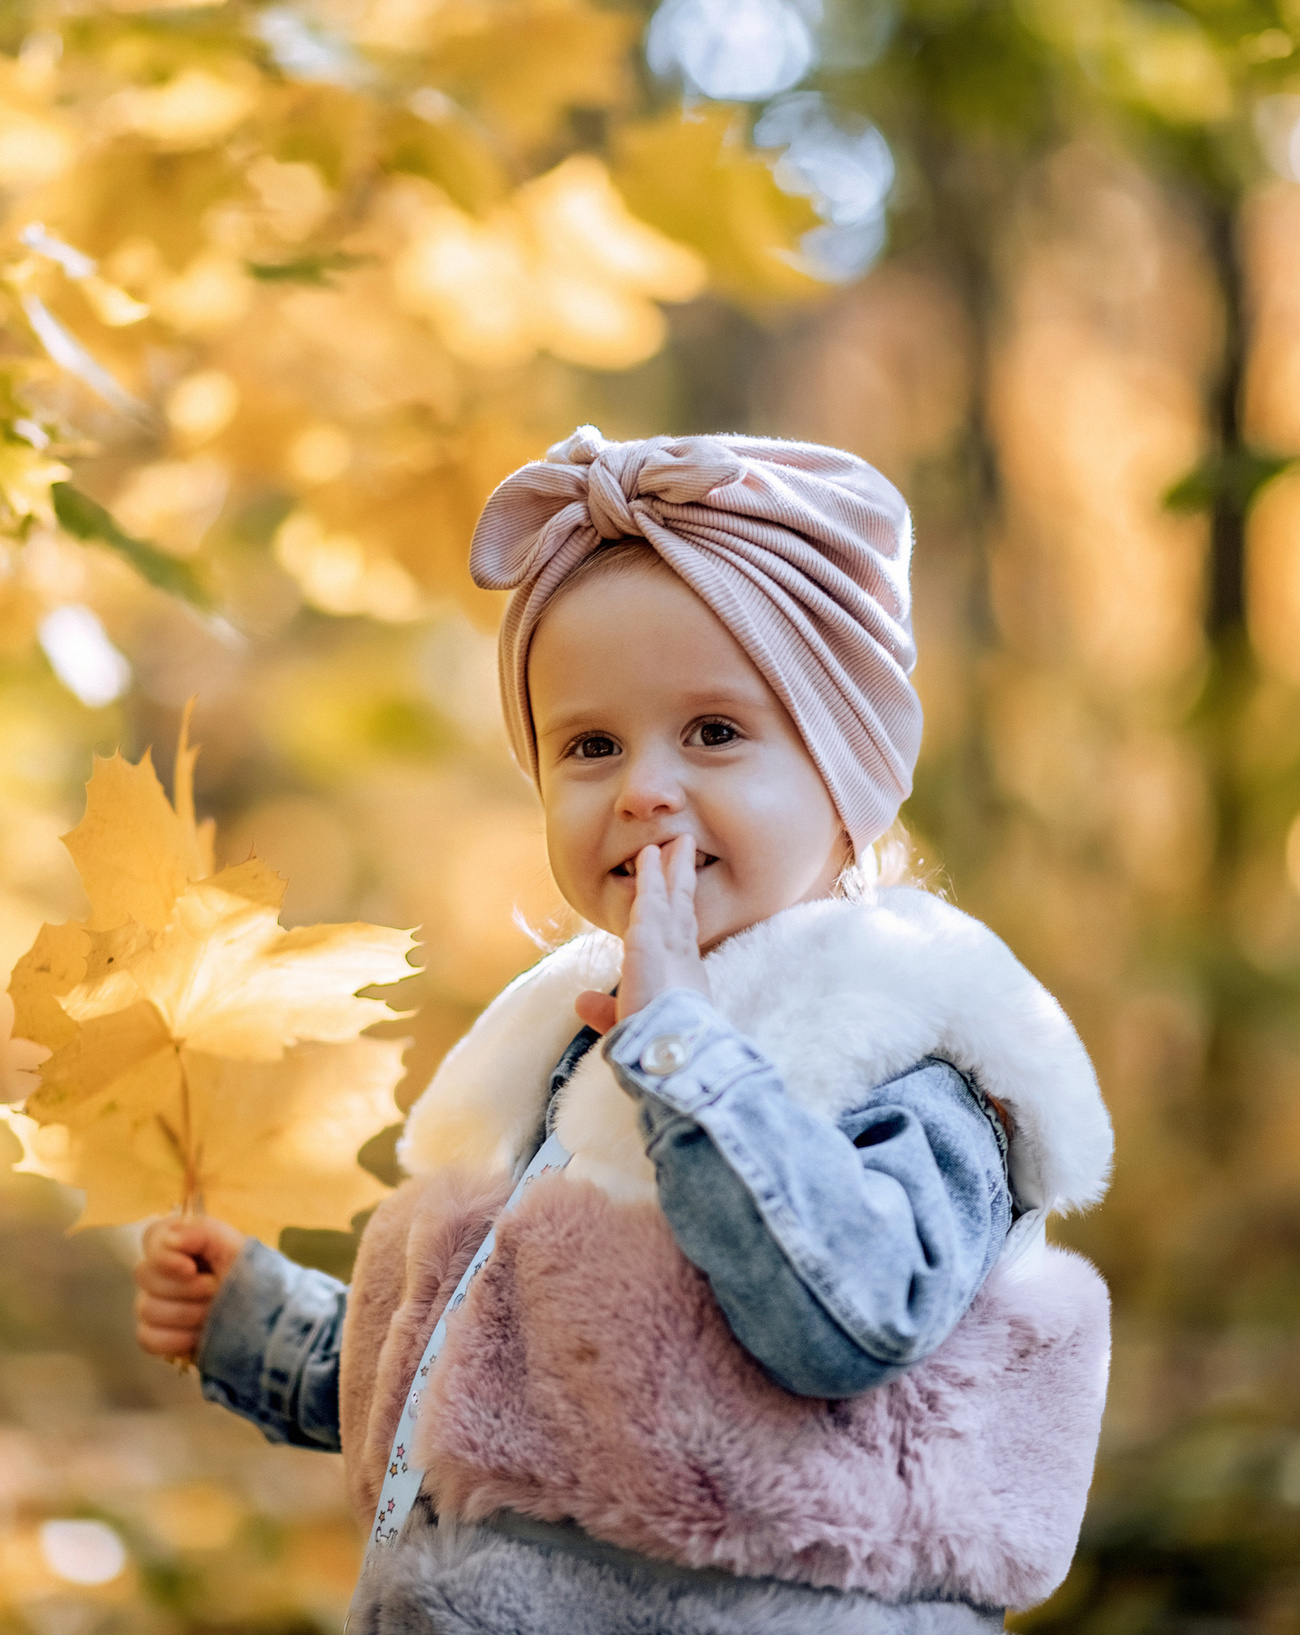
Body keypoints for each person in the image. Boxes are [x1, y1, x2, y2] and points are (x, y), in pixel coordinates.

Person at [133, 427, 1115, 1634]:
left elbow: (851, 1319)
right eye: (591, 746)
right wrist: (259, 1324)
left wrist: (688, 1060)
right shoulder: (572, 1046)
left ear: (846, 776)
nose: (646, 790)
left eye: (714, 732)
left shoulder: (906, 1048)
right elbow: (501, 1372)